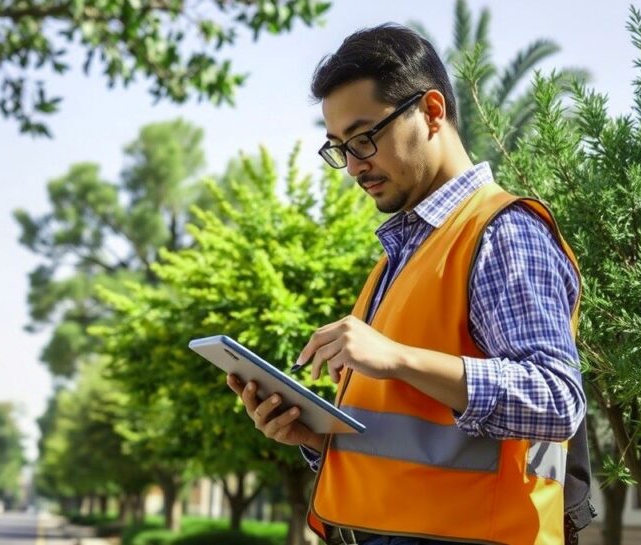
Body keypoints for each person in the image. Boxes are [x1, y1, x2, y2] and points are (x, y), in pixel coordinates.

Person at [226, 23, 593, 545]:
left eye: (365, 138)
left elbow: (557, 400)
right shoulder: (404, 255)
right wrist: (316, 436)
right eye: (338, 148)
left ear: (433, 112)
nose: (353, 165)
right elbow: (411, 436)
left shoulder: (503, 231)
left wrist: (396, 357)